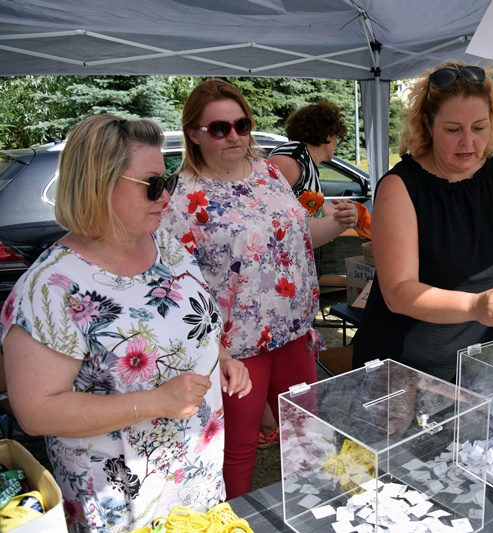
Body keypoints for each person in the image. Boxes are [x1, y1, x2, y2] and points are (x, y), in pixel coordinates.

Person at [0, 114, 251, 532]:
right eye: (153, 184)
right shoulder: (51, 288)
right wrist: (154, 402)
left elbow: (188, 323)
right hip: (121, 501)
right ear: (99, 185)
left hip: (195, 475)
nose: (166, 195)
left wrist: (218, 355)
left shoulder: (164, 244)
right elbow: (36, 411)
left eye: (167, 181)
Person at [351, 61, 493, 383]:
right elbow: (399, 292)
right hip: (403, 366)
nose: (468, 142)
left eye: (480, 127)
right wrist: (475, 304)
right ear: (428, 124)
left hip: (479, 361)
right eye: (453, 129)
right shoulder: (400, 186)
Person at [161, 79, 325, 499]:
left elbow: (289, 243)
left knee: (306, 433)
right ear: (195, 133)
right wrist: (214, 350)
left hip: (292, 330)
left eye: (242, 124)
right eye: (219, 128)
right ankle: (234, 519)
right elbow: (174, 283)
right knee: (238, 446)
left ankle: (312, 513)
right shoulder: (181, 197)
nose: (233, 136)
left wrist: (336, 224)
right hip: (234, 345)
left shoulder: (270, 173)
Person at [262, 102, 359, 449]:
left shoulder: (304, 161)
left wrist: (337, 212)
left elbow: (306, 208)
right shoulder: (290, 160)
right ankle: (269, 423)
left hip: (293, 276)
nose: (337, 146)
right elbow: (273, 213)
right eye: (338, 139)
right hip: (277, 278)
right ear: (329, 135)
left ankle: (276, 421)